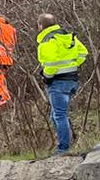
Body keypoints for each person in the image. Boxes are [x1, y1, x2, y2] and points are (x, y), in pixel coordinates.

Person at [34, 15, 88, 153]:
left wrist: (47, 77)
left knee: (59, 115)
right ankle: (66, 143)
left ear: (41, 26)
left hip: (57, 82)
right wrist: (73, 65)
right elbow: (83, 52)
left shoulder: (47, 41)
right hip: (72, 80)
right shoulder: (68, 36)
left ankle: (63, 148)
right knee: (56, 115)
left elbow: (50, 63)